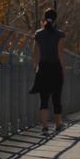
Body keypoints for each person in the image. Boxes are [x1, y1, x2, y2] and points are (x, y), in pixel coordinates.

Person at [31, 8, 66, 136]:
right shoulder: (60, 34)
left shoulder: (38, 34)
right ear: (56, 19)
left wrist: (35, 66)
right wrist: (63, 68)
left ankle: (45, 128)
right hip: (55, 68)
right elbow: (60, 53)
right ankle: (58, 125)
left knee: (44, 99)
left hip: (43, 68)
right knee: (56, 98)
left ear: (44, 18)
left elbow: (35, 52)